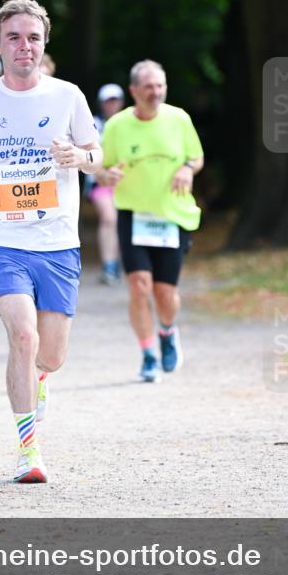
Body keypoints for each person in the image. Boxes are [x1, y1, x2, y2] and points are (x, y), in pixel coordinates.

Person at [0, 0, 101, 484]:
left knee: (50, 356)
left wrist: (78, 156)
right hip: (1, 239)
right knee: (23, 334)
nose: (24, 46)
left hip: (57, 241)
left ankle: (37, 380)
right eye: (13, 37)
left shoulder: (68, 96)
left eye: (33, 37)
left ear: (44, 43)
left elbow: (98, 153)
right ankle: (28, 451)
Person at [99, 60, 204, 383]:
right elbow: (100, 168)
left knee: (164, 293)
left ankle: (167, 332)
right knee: (139, 286)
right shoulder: (116, 126)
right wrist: (107, 174)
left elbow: (196, 157)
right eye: (148, 86)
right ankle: (147, 354)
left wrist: (187, 168)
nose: (155, 92)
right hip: (133, 213)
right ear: (134, 91)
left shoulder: (179, 119)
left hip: (171, 215)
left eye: (160, 85)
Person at [86, 83, 125, 284]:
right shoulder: (93, 124)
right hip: (99, 181)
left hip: (124, 181)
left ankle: (114, 263)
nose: (112, 105)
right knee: (109, 218)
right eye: (108, 101)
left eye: (115, 100)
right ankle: (109, 264)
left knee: (119, 220)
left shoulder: (129, 123)